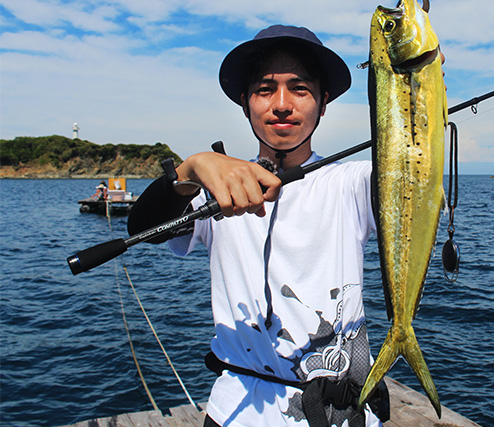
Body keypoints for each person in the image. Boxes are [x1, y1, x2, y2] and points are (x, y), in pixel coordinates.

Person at [128, 25, 388, 427]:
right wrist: (192, 168)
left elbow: (413, 171)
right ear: (245, 103)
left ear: (323, 103)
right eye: (265, 89)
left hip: (343, 408)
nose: (281, 104)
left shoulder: (353, 182)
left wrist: (418, 79)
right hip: (239, 410)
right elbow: (144, 227)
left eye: (299, 89)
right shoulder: (216, 186)